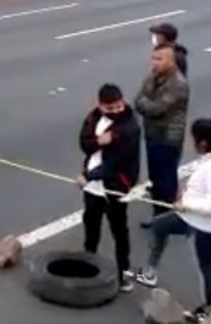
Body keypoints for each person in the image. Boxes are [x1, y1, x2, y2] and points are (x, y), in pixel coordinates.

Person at [135, 118, 211, 323]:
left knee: (204, 268)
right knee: (160, 225)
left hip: (203, 225)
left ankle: (206, 310)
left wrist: (186, 205)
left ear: (203, 143)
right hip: (191, 217)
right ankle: (150, 273)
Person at [77, 83, 141, 293]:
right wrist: (99, 142)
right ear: (100, 105)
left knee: (119, 230)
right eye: (109, 108)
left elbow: (116, 163)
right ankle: (89, 264)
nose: (115, 112)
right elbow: (84, 143)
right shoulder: (93, 117)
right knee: (91, 224)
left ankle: (123, 272)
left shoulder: (129, 127)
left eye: (118, 107)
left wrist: (88, 175)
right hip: (92, 185)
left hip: (115, 184)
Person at [136, 44, 190, 229]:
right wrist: (145, 104)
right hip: (152, 134)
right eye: (153, 58)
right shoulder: (152, 76)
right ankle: (159, 213)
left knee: (166, 180)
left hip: (168, 137)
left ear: (171, 61)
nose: (154, 62)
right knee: (155, 177)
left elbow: (156, 108)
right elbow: (139, 100)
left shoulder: (178, 84)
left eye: (159, 59)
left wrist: (146, 104)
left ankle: (165, 217)